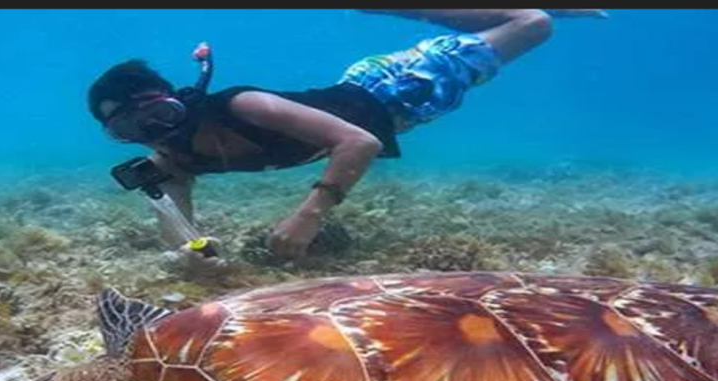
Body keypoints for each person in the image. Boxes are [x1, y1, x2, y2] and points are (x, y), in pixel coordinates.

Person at [88, 9, 607, 264]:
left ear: (175, 94)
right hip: (371, 95)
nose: (153, 132)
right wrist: (195, 251)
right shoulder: (173, 155)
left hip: (396, 91)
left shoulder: (241, 105)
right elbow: (181, 232)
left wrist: (308, 214)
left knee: (534, 22)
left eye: (155, 113)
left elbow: (359, 143)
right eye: (128, 130)